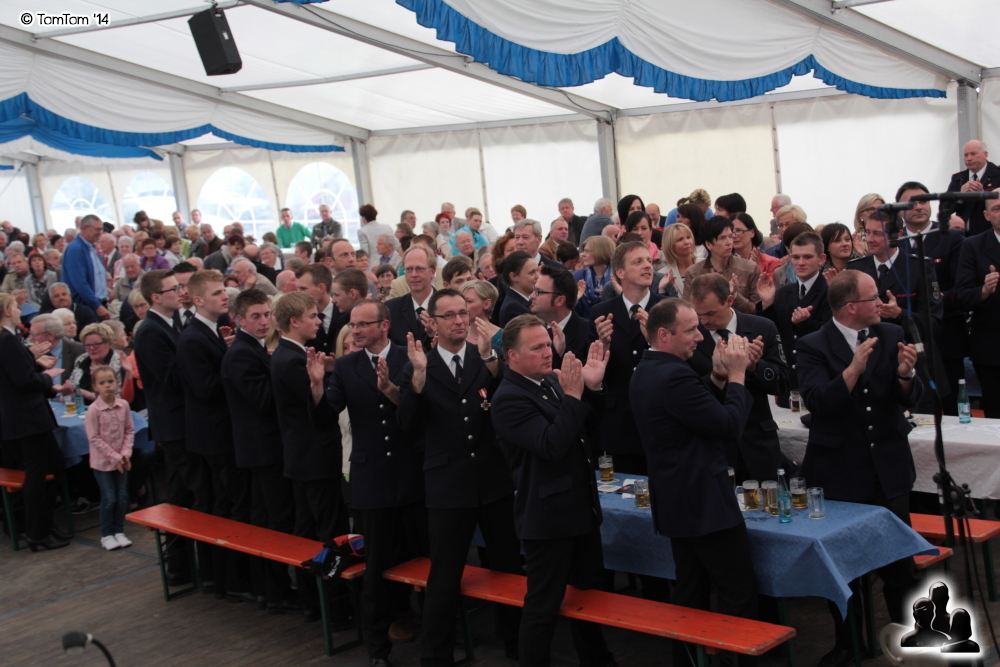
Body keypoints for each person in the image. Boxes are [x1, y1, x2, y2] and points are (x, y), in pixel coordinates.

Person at [796, 270, 922, 667]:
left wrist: (906, 376)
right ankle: (850, 644)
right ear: (851, 307)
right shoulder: (813, 344)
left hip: (888, 467)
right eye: (873, 298)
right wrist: (851, 370)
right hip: (839, 471)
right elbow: (817, 402)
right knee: (845, 570)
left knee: (901, 566)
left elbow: (907, 399)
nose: (881, 304)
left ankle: (909, 638)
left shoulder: (890, 333)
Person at [396, 289, 522, 665]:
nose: (458, 321)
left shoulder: (484, 358)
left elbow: (507, 401)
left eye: (462, 313)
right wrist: (418, 378)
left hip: (493, 480)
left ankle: (519, 645)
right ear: (432, 323)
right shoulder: (419, 364)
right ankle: (436, 656)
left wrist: (493, 362)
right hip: (448, 485)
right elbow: (407, 425)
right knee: (445, 576)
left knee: (508, 568)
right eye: (448, 315)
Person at [630, 298, 758, 667]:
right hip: (704, 502)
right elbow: (729, 426)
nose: (700, 337)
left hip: (676, 501)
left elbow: (689, 409)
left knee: (690, 591)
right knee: (737, 591)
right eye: (690, 331)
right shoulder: (674, 375)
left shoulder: (647, 369)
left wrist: (716, 378)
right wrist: (737, 375)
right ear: (664, 334)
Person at [491, 314, 614, 667]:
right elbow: (551, 445)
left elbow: (587, 429)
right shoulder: (508, 398)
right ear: (512, 356)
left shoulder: (550, 382)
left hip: (580, 510)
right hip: (548, 520)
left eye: (548, 344)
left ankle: (598, 660)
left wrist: (592, 389)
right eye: (537, 347)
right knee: (543, 607)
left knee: (588, 598)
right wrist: (573, 395)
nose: (548, 352)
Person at [327, 298, 426, 662]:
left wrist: (392, 390)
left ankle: (435, 633)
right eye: (353, 325)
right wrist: (316, 388)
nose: (355, 331)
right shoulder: (346, 365)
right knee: (377, 567)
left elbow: (419, 416)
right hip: (371, 480)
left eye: (362, 324)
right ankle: (377, 647)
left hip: (410, 474)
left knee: (423, 558)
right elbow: (326, 415)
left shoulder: (408, 357)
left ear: (384, 326)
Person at [220, 289, 300, 615]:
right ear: (239, 319)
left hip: (263, 448)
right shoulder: (242, 353)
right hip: (263, 451)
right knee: (273, 520)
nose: (264, 321)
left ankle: (271, 589)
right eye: (256, 316)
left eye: (267, 314)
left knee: (268, 518)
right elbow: (265, 400)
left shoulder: (253, 348)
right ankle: (275, 591)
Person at [177, 270, 254, 602]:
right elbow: (206, 389)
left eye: (224, 291)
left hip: (220, 433)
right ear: (198, 300)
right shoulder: (193, 338)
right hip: (215, 437)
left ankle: (228, 577)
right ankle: (232, 579)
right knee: (226, 505)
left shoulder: (209, 332)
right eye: (217, 293)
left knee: (229, 503)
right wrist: (234, 362)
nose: (225, 297)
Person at [271, 291, 348, 622]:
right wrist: (326, 379)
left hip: (302, 457)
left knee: (307, 528)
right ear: (294, 321)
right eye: (313, 316)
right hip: (314, 458)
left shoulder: (289, 354)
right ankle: (334, 606)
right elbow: (317, 409)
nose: (318, 321)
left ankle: (313, 602)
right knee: (328, 531)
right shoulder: (291, 360)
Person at [686, 273, 789, 479]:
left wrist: (754, 367)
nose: (704, 321)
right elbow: (687, 391)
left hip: (757, 444)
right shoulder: (689, 336)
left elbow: (783, 383)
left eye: (711, 313)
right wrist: (718, 375)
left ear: (729, 300)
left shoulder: (762, 327)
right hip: (713, 445)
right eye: (698, 315)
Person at [847, 209, 944, 410]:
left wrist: (900, 314)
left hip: (913, 366)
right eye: (867, 232)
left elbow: (934, 323)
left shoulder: (919, 267)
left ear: (898, 234)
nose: (870, 239)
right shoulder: (856, 269)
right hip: (872, 370)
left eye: (878, 233)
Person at [133, 269, 195, 583]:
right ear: (156, 297)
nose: (181, 292)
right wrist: (199, 353)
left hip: (181, 422)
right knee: (181, 493)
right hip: (173, 424)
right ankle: (178, 564)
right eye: (173, 289)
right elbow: (170, 377)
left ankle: (182, 564)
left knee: (182, 490)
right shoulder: (150, 331)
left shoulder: (171, 323)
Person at [0, 293, 70, 551]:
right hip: (28, 418)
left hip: (23, 417)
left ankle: (45, 525)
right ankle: (37, 532)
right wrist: (48, 376)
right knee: (36, 475)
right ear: (7, 310)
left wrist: (31, 359)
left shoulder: (9, 339)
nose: (20, 310)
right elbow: (24, 381)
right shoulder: (7, 339)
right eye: (16, 307)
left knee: (54, 465)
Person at [589, 240, 665, 474]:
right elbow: (594, 374)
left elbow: (684, 362)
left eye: (649, 261)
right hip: (620, 423)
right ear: (620, 273)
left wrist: (654, 342)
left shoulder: (667, 309)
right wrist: (603, 345)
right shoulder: (601, 312)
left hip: (661, 418)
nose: (648, 266)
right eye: (638, 262)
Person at [896, 181, 968, 415]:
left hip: (946, 337)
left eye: (924, 201)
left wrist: (931, 303)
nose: (919, 207)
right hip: (905, 342)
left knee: (950, 409)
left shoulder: (951, 237)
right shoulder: (894, 242)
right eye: (911, 203)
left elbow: (960, 288)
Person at [758, 232, 833, 404]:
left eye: (807, 257)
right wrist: (767, 304)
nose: (800, 263)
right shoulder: (784, 292)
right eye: (796, 257)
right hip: (789, 381)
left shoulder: (830, 291)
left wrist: (806, 323)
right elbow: (774, 332)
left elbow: (832, 335)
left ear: (821, 259)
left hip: (817, 377)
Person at [954, 195, 1000, 417]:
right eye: (997, 208)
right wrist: (984, 290)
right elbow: (961, 296)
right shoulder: (973, 245)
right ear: (986, 215)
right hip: (992, 350)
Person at [84, 366, 134, 551]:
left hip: (122, 460)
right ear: (95, 386)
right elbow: (94, 438)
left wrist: (125, 453)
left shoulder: (123, 405)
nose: (107, 386)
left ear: (117, 382)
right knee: (109, 497)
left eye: (110, 381)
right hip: (103, 463)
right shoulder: (93, 410)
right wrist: (115, 456)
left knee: (121, 497)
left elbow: (129, 430)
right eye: (102, 383)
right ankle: (106, 534)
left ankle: (119, 531)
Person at [683, 217, 761, 314]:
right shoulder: (694, 272)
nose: (729, 242)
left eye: (730, 236)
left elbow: (757, 310)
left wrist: (735, 295)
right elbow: (688, 310)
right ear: (709, 244)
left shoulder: (750, 268)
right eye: (722, 238)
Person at [531, 263, 589, 368]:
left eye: (538, 291)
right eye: (534, 290)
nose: (532, 296)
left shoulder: (588, 333)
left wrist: (563, 351)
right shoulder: (530, 328)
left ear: (560, 300)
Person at [61, 214, 110, 321]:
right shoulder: (75, 249)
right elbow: (80, 283)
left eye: (101, 229)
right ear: (85, 228)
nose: (100, 233)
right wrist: (97, 306)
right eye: (97, 229)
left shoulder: (91, 248)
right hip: (85, 307)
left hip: (97, 303)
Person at [386, 245, 437, 347]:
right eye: (409, 269)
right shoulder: (390, 309)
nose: (413, 274)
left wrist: (435, 334)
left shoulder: (447, 307)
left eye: (419, 269)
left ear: (432, 272)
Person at [946, 140, 999, 236]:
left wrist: (983, 195)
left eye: (973, 154)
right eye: (966, 155)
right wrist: (959, 197)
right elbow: (945, 208)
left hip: (991, 234)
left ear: (985, 154)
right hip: (963, 236)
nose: (969, 158)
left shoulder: (997, 175)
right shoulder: (958, 178)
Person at [65, 323, 127, 403]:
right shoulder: (82, 359)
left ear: (109, 344)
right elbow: (72, 389)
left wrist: (89, 395)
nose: (91, 348)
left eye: (96, 344)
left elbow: (119, 398)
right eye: (88, 345)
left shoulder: (118, 362)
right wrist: (66, 391)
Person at [28, 313, 83, 382]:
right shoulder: (31, 353)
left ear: (50, 335)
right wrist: (31, 357)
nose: (30, 338)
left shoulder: (79, 350)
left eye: (34, 334)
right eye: (30, 333)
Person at [732, 214, 781, 279]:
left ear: (752, 232)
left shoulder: (772, 262)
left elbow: (769, 285)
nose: (734, 236)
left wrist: (756, 268)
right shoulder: (724, 263)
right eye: (731, 232)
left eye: (739, 230)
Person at [498, 251, 538, 327]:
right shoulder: (513, 307)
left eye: (537, 271)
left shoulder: (523, 301)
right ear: (514, 276)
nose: (537, 276)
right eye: (532, 272)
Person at [660, 222, 698, 298]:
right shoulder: (663, 274)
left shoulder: (706, 264)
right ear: (671, 246)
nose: (687, 242)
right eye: (680, 239)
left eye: (688, 237)